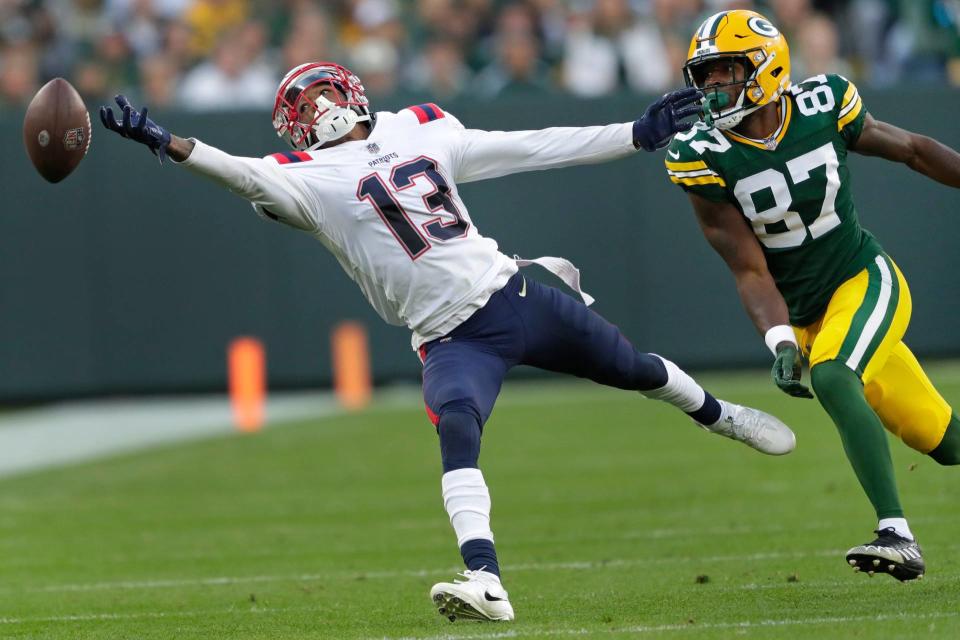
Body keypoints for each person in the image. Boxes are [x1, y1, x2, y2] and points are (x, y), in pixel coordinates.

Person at [99, 61, 796, 622]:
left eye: (321, 96)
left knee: (636, 368)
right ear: (293, 127)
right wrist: (166, 142)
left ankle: (723, 417)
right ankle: (485, 579)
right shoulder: (302, 181)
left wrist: (634, 135)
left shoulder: (420, 129)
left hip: (513, 295)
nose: (318, 111)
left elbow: (534, 147)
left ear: (351, 91)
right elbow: (238, 170)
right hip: (449, 337)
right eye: (302, 106)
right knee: (457, 426)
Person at [666, 9, 960, 582]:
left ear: (767, 68)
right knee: (943, 441)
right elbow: (749, 269)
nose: (713, 88)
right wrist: (778, 338)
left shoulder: (824, 104)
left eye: (725, 72)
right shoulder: (699, 153)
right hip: (804, 315)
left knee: (831, 375)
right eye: (706, 75)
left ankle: (896, 533)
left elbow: (914, 150)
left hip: (861, 277)